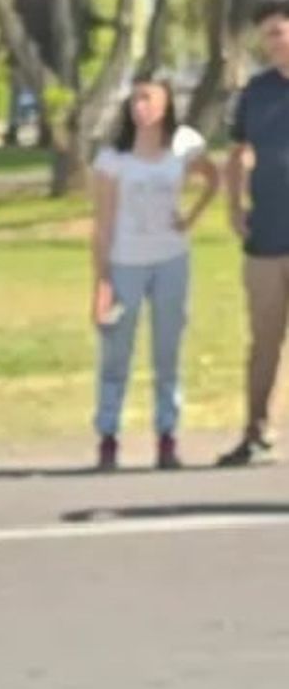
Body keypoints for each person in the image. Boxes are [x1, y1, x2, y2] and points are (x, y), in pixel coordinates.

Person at [90, 77, 220, 471]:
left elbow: (213, 178)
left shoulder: (183, 144)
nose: (140, 106)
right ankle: (108, 435)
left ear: (165, 102)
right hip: (126, 261)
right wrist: (102, 281)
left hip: (170, 260)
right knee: (116, 353)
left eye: (148, 97)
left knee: (168, 351)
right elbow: (104, 223)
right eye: (135, 98)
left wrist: (191, 217)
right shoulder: (114, 157)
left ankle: (167, 435)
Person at [218, 0, 289, 467]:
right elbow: (238, 152)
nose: (277, 39)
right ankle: (256, 431)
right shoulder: (256, 93)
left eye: (282, 30)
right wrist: (234, 204)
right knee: (263, 341)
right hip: (267, 237)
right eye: (269, 33)